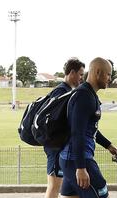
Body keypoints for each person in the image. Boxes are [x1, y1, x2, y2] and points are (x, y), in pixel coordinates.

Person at [59, 58, 117, 198]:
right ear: (98, 72)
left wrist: (110, 146)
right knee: (101, 193)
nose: (110, 78)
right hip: (77, 160)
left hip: (71, 159)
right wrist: (81, 168)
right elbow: (77, 133)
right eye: (108, 74)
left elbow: (90, 128)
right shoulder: (84, 96)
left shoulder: (89, 95)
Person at [44, 58, 85, 198]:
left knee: (63, 187)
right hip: (56, 148)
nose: (81, 78)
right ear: (72, 72)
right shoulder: (61, 92)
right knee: (54, 185)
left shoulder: (66, 91)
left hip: (61, 148)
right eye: (80, 74)